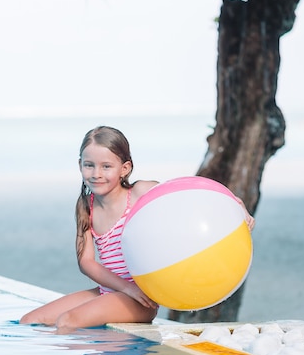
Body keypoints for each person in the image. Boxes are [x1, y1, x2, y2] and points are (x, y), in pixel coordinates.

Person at [19, 126, 255, 333]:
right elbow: (86, 262)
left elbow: (191, 197)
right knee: (30, 321)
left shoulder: (140, 194)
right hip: (111, 290)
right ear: (79, 164)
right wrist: (123, 288)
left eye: (106, 166)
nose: (96, 173)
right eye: (89, 165)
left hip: (141, 300)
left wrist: (236, 205)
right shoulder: (85, 206)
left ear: (124, 168)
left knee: (68, 321)